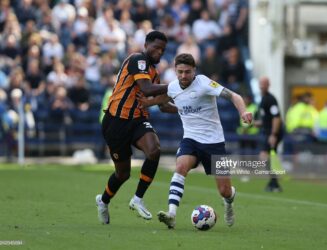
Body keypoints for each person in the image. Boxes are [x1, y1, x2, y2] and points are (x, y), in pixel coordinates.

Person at [139, 53, 252, 229]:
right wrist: (145, 103)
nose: (183, 76)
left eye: (187, 72)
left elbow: (234, 96)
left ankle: (229, 202)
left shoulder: (204, 83)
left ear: (194, 71)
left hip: (214, 142)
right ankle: (172, 214)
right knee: (180, 167)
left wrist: (243, 112)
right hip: (190, 139)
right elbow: (163, 101)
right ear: (175, 71)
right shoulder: (174, 87)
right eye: (180, 72)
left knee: (224, 191)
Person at [95, 31, 172, 224]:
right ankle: (103, 201)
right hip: (115, 122)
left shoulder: (155, 73)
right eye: (156, 47)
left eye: (163, 50)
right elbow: (146, 89)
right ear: (146, 45)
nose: (159, 52)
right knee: (123, 174)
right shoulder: (137, 59)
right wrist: (175, 86)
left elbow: (161, 105)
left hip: (137, 120)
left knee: (154, 150)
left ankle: (137, 199)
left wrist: (186, 110)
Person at [256, 77, 283, 192]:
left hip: (272, 133)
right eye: (261, 83)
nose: (262, 86)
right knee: (269, 157)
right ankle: (274, 183)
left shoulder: (270, 99)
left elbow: (276, 117)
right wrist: (258, 123)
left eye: (264, 84)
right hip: (267, 131)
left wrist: (273, 134)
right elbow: (268, 118)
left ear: (268, 85)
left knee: (265, 156)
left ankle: (274, 183)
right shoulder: (263, 99)